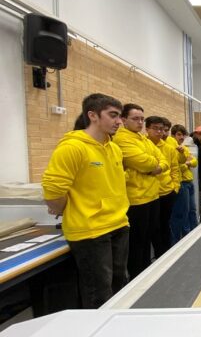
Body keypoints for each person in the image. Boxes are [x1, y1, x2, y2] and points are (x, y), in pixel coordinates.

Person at [42, 93, 129, 308]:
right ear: (93, 115)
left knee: (120, 286)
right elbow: (53, 193)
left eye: (120, 116)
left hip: (118, 224)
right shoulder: (73, 147)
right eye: (113, 115)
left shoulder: (114, 148)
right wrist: (75, 210)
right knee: (99, 294)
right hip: (90, 231)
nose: (119, 121)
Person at [113, 103, 168, 279]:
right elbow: (146, 162)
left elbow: (163, 160)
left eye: (142, 119)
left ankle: (146, 275)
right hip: (136, 200)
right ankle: (137, 278)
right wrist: (154, 166)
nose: (140, 122)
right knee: (137, 245)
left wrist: (154, 167)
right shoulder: (122, 139)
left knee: (147, 242)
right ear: (123, 119)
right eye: (135, 118)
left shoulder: (142, 139)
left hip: (153, 196)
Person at [145, 116, 180, 258]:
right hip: (149, 194)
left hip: (167, 193)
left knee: (164, 226)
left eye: (162, 129)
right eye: (155, 128)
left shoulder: (169, 148)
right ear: (147, 129)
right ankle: (155, 257)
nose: (159, 132)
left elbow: (175, 169)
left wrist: (175, 188)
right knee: (152, 229)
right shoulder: (143, 145)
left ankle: (165, 255)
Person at [170, 124, 198, 243]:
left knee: (192, 211)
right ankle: (181, 240)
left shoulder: (184, 148)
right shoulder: (172, 148)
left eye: (183, 134)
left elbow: (195, 162)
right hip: (181, 184)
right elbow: (176, 167)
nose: (182, 137)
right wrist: (187, 163)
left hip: (189, 182)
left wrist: (188, 163)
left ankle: (194, 234)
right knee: (182, 214)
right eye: (179, 134)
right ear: (173, 135)